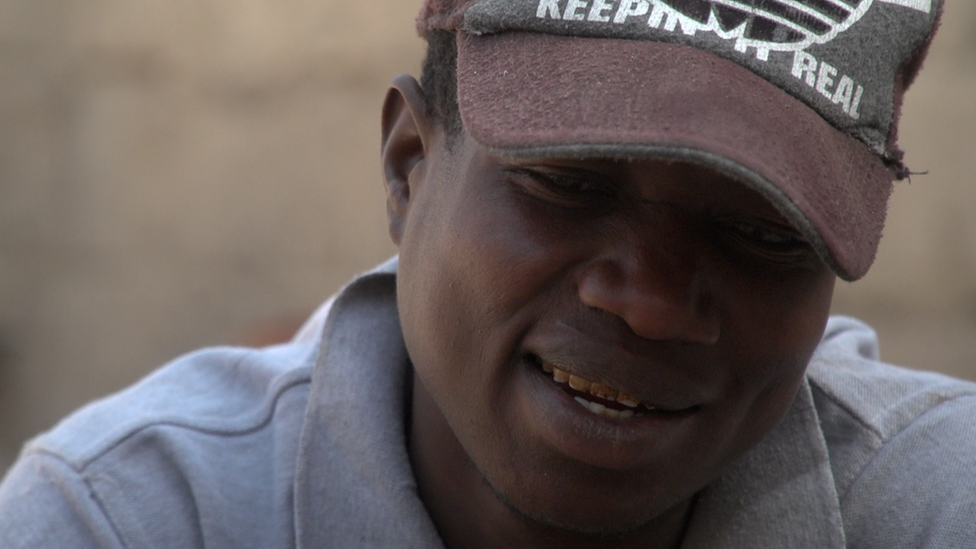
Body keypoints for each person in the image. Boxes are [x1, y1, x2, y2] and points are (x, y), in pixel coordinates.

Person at [2, 0, 974, 547]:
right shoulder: (131, 521)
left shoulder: (935, 510)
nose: (646, 302)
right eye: (567, 182)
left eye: (762, 234)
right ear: (407, 166)